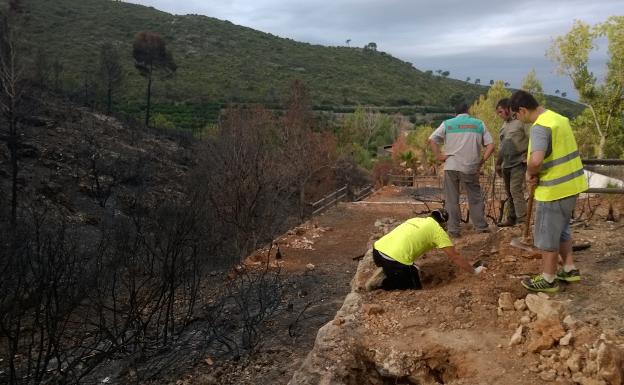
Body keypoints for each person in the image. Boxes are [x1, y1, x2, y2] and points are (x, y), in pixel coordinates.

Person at [509, 90, 588, 293]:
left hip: (553, 190)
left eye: (516, 116)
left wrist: (530, 172)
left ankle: (548, 278)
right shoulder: (558, 119)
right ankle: (569, 269)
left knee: (546, 235)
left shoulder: (540, 127)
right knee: (562, 230)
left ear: (523, 110)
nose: (517, 120)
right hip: (572, 185)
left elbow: (536, 161)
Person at [370, 209, 485, 290]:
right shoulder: (438, 231)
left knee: (410, 267)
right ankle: (382, 282)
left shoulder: (415, 220)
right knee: (414, 286)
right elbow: (455, 256)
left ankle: (388, 270)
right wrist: (474, 271)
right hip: (392, 259)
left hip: (377, 252)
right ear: (443, 223)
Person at [428, 103, 495, 237]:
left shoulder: (447, 124)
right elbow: (491, 145)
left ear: (456, 113)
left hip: (451, 166)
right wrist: (481, 161)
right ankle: (481, 227)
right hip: (470, 167)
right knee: (474, 198)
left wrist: (439, 156)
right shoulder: (478, 124)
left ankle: (453, 230)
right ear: (468, 111)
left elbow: (432, 139)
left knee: (451, 199)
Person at [495, 98, 529, 226]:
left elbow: (531, 138)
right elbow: (502, 147)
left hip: (518, 162)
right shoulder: (504, 126)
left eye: (500, 111)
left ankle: (522, 220)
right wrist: (498, 163)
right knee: (509, 192)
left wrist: (528, 155)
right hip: (506, 164)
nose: (500, 115)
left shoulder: (521, 122)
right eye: (498, 113)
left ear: (508, 108)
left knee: (515, 190)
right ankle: (511, 219)